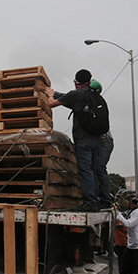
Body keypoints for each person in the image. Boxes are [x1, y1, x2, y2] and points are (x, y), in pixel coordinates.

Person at [35, 70, 113, 212]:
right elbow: (66, 98)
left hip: (84, 139)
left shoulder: (77, 94)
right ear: (89, 81)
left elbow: (52, 103)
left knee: (84, 169)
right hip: (96, 139)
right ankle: (95, 201)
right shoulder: (95, 96)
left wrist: (50, 95)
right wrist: (50, 90)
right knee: (94, 170)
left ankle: (89, 202)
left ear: (76, 82)